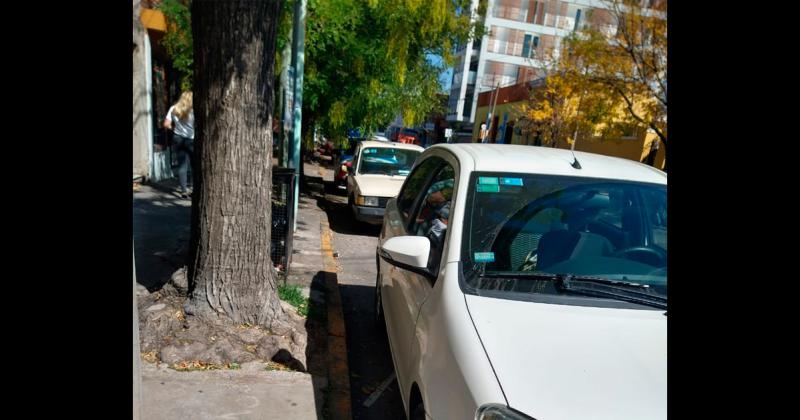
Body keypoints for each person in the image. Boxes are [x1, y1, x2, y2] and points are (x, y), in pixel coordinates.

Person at [164, 92, 195, 198]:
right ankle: (195, 189)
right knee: (194, 165)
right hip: (191, 139)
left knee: (182, 165)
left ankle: (183, 191)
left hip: (178, 138)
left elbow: (166, 124)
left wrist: (174, 129)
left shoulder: (173, 108)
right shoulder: (193, 110)